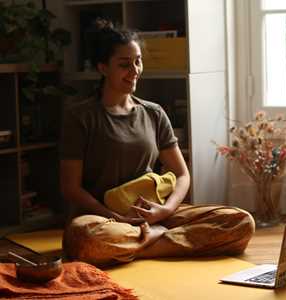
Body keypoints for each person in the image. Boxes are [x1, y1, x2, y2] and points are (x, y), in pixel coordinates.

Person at [60, 19, 255, 267]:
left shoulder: (153, 112)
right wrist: (115, 216)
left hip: (155, 215)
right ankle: (167, 241)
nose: (135, 71)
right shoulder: (80, 116)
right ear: (102, 67)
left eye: (138, 61)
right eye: (124, 65)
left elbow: (182, 174)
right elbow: (70, 188)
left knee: (240, 221)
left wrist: (165, 211)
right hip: (104, 219)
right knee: (83, 238)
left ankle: (145, 245)